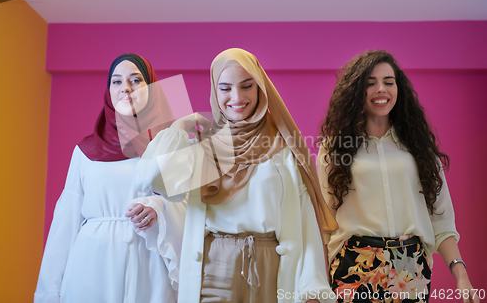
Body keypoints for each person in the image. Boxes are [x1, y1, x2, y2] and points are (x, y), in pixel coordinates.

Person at [134, 48, 338, 303]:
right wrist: (179, 127)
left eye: (246, 86)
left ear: (260, 88)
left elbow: (306, 220)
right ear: (214, 90)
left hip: (272, 268)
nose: (236, 97)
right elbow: (154, 180)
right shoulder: (205, 146)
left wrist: (312, 287)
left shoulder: (283, 147)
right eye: (225, 88)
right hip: (213, 270)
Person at [316, 50, 478, 303]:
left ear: (398, 88)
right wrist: (317, 282)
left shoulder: (419, 147)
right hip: (353, 265)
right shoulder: (334, 149)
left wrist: (461, 274)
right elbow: (324, 223)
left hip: (410, 266)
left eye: (388, 82)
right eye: (370, 83)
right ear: (356, 91)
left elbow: (441, 219)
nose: (381, 89)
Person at [34, 53, 187, 303]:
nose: (126, 88)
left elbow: (190, 207)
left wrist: (159, 209)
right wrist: (49, 292)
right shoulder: (85, 151)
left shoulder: (171, 144)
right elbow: (66, 221)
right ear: (109, 91)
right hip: (92, 264)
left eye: (136, 80)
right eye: (116, 81)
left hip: (148, 264)